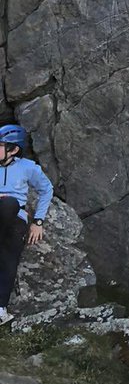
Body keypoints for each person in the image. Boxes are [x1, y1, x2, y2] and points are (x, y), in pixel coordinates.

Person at [0, 124, 53, 328]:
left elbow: (46, 189)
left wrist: (38, 221)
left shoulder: (28, 167)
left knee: (9, 255)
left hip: (15, 218)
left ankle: (0, 309)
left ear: (13, 149)